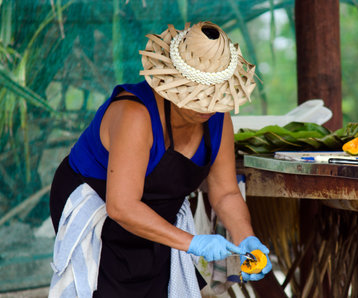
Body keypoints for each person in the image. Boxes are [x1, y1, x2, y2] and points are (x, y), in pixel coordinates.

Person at [49, 21, 271, 297]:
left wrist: (245, 237)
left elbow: (225, 192)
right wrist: (193, 243)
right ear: (172, 83)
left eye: (214, 96)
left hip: (157, 210)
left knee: (158, 285)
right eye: (198, 96)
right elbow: (122, 207)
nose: (208, 107)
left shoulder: (218, 116)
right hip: (101, 205)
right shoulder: (134, 114)